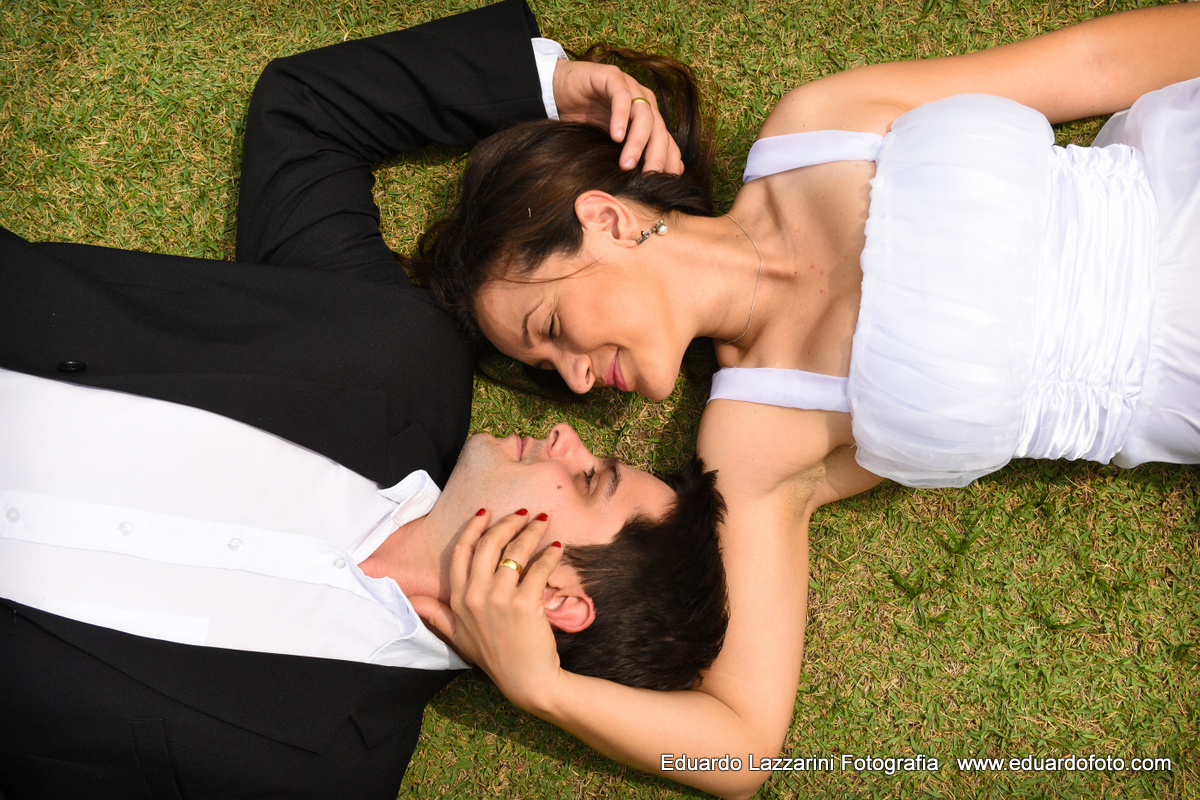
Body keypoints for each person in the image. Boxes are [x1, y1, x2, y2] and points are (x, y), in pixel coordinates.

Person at [411, 3, 1200, 798]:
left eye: (550, 329)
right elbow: (740, 748)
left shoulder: (816, 128)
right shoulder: (753, 444)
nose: (575, 378)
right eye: (548, 369)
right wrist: (543, 690)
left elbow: (1095, 65)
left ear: (606, 219)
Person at [0, 2, 727, 796]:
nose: (563, 432)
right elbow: (306, 114)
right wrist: (550, 84)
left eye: (588, 478)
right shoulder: (394, 355)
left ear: (559, 597)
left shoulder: (324, 776)